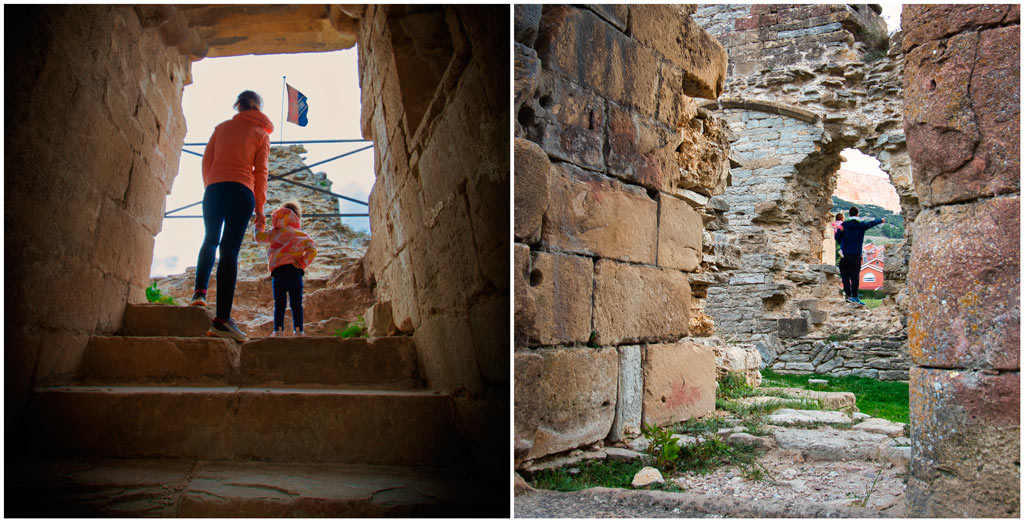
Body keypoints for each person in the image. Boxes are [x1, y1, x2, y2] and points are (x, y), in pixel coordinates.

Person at [190, 90, 274, 341]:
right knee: (229, 252)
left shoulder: (221, 128)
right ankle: (222, 320)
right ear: (258, 108)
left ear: (238, 106)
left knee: (210, 239)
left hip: (214, 189)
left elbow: (207, 160)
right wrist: (260, 208)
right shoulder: (260, 134)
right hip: (242, 190)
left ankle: (199, 294)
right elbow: (261, 173)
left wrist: (211, 185)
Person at [254, 201, 317, 336]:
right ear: (296, 218)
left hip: (278, 272)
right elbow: (312, 249)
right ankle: (299, 330)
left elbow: (259, 237)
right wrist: (302, 263)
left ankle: (278, 330)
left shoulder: (274, 233)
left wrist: (260, 223)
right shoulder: (300, 235)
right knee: (296, 303)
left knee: (280, 303)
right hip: (295, 271)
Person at [835, 206, 884, 307]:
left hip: (845, 255)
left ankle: (848, 296)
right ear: (857, 214)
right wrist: (881, 220)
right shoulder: (861, 225)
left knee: (845, 275)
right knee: (855, 276)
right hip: (856, 255)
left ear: (849, 214)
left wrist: (843, 242)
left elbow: (837, 236)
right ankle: (856, 297)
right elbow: (871, 223)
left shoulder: (844, 224)